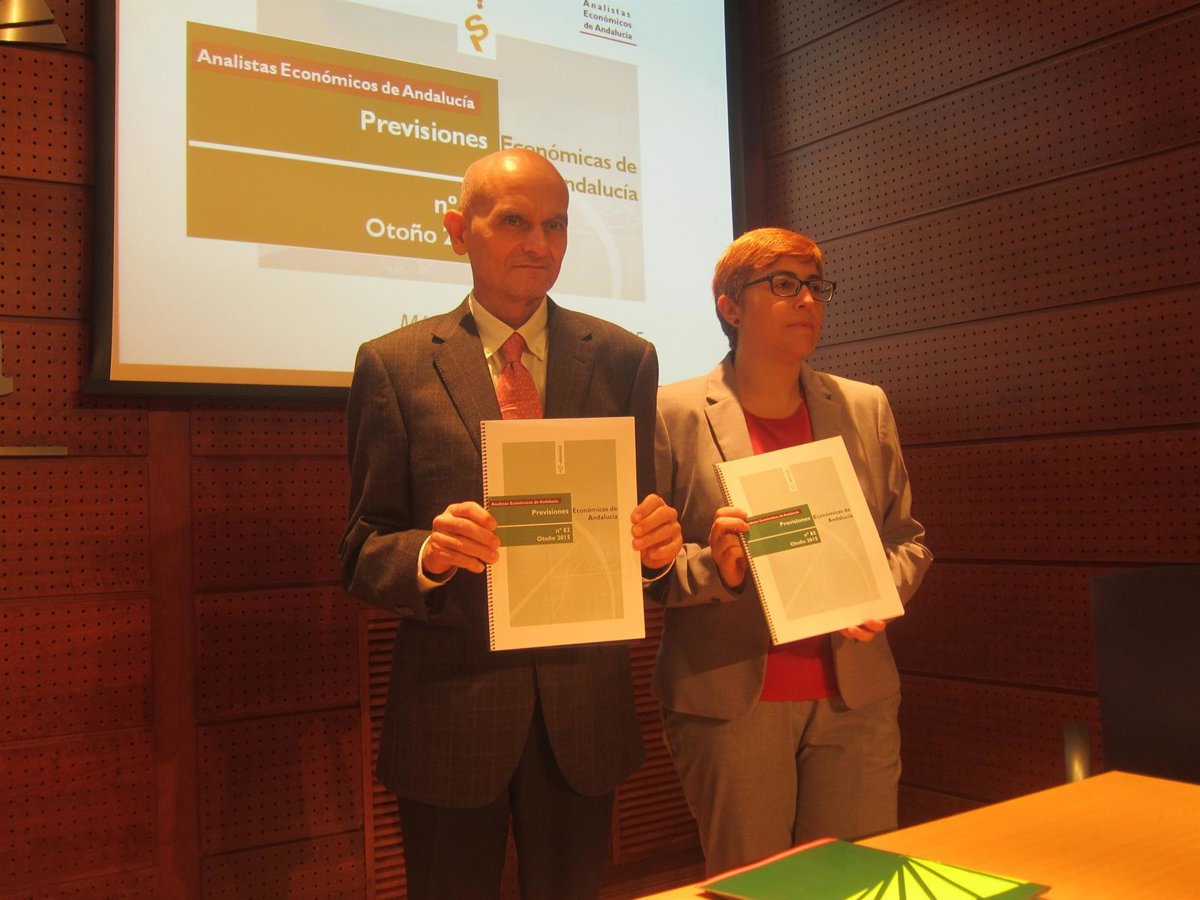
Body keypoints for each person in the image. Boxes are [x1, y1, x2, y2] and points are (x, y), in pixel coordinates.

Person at [339, 149, 681, 899]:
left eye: (556, 225)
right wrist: (430, 554)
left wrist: (657, 550)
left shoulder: (624, 359)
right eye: (515, 222)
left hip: (582, 708)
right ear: (458, 230)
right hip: (451, 708)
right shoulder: (395, 365)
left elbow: (638, 528)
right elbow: (363, 548)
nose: (539, 243)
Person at [652, 227, 933, 875]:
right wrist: (716, 568)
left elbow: (907, 541)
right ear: (730, 306)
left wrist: (880, 592)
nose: (806, 300)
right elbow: (651, 567)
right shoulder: (674, 412)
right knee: (761, 888)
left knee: (854, 883)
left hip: (855, 696)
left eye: (814, 286)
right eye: (783, 284)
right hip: (734, 701)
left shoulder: (864, 406)